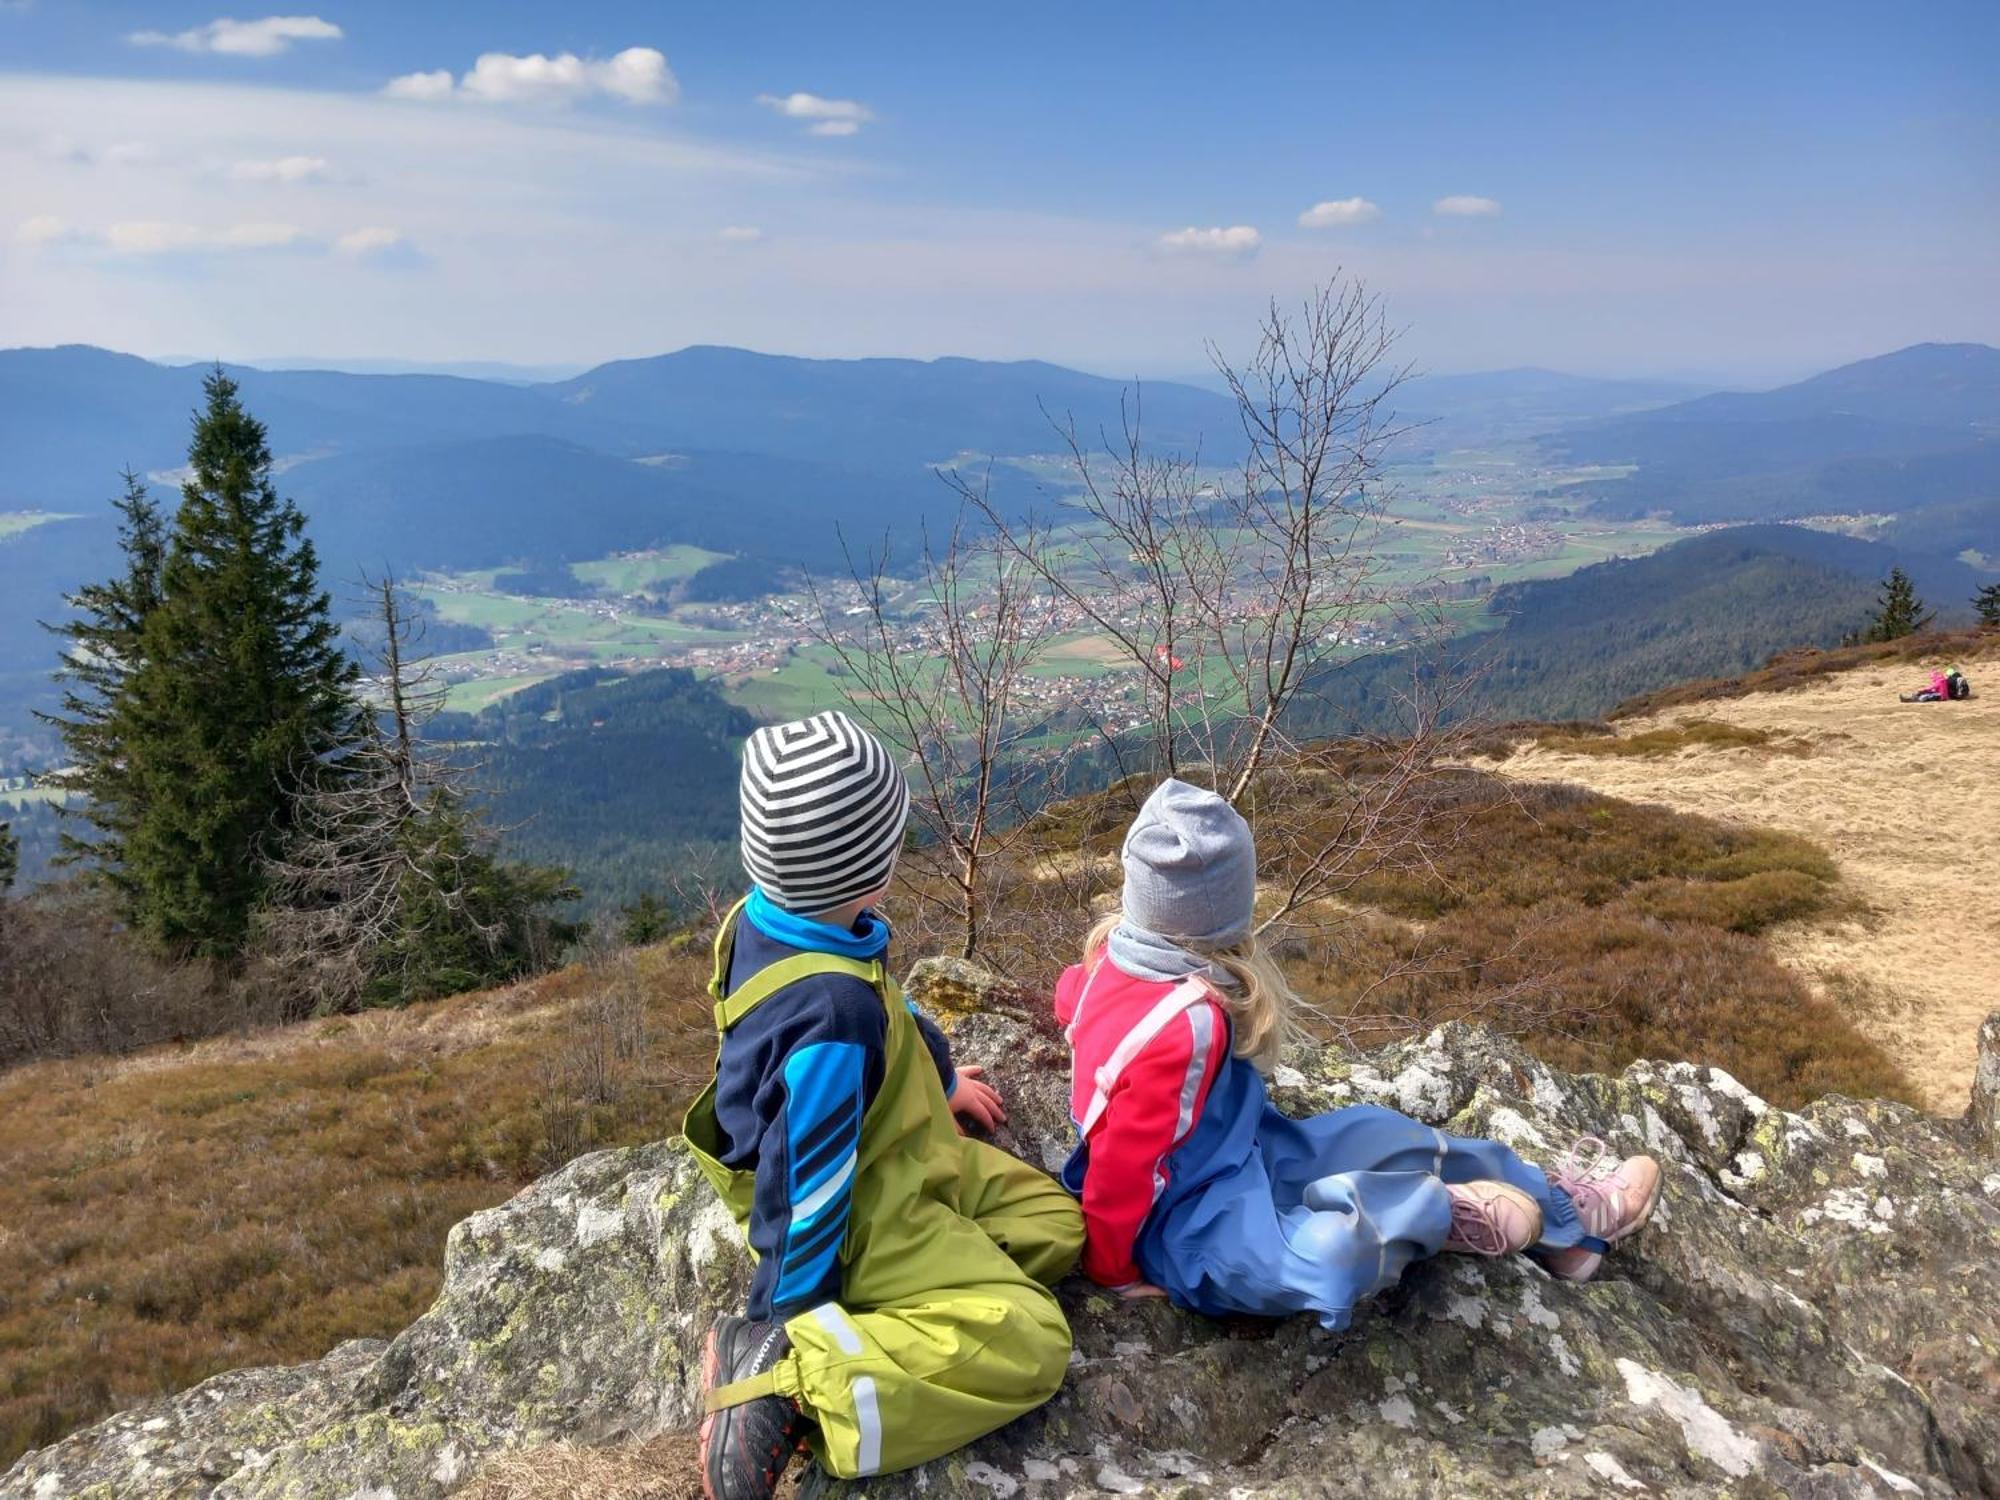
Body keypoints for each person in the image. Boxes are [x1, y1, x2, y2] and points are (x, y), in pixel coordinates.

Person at [1055, 777, 1663, 1330]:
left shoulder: (1107, 958)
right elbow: (1119, 1169)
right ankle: (1439, 1214)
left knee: (1381, 1131)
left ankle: (1571, 1224)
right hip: (1182, 1221)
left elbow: (1072, 1004)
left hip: (1245, 1147)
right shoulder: (1186, 1025)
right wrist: (1112, 1269)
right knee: (1322, 1255)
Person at [687, 710, 1082, 1497]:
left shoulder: (788, 920)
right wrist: (785, 1317)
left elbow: (890, 1004)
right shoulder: (832, 1019)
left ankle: (934, 1292)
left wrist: (935, 1081)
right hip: (854, 1207)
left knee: (1059, 1226)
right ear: (874, 861)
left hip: (892, 1150)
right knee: (1037, 1340)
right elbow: (806, 1189)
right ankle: (792, 1381)